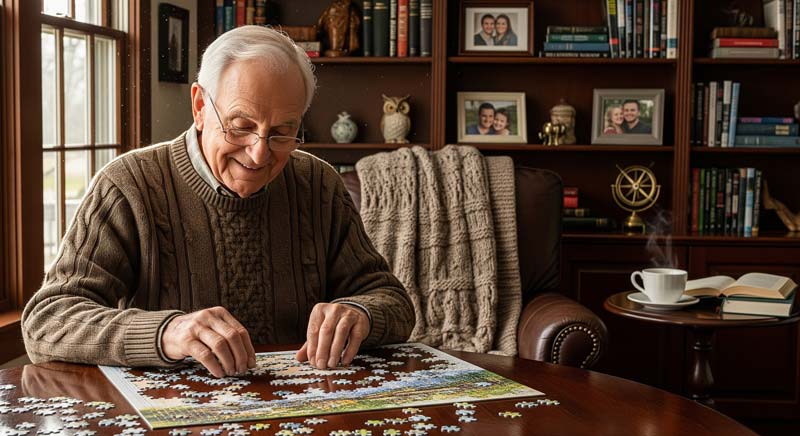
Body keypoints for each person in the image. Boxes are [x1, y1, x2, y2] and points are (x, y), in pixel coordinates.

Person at [21, 26, 415, 378]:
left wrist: (360, 313)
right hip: (171, 418)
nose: (260, 154)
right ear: (199, 106)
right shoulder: (127, 185)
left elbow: (394, 302)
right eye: (241, 126)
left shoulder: (319, 184)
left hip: (302, 409)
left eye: (282, 133)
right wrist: (167, 332)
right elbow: (48, 321)